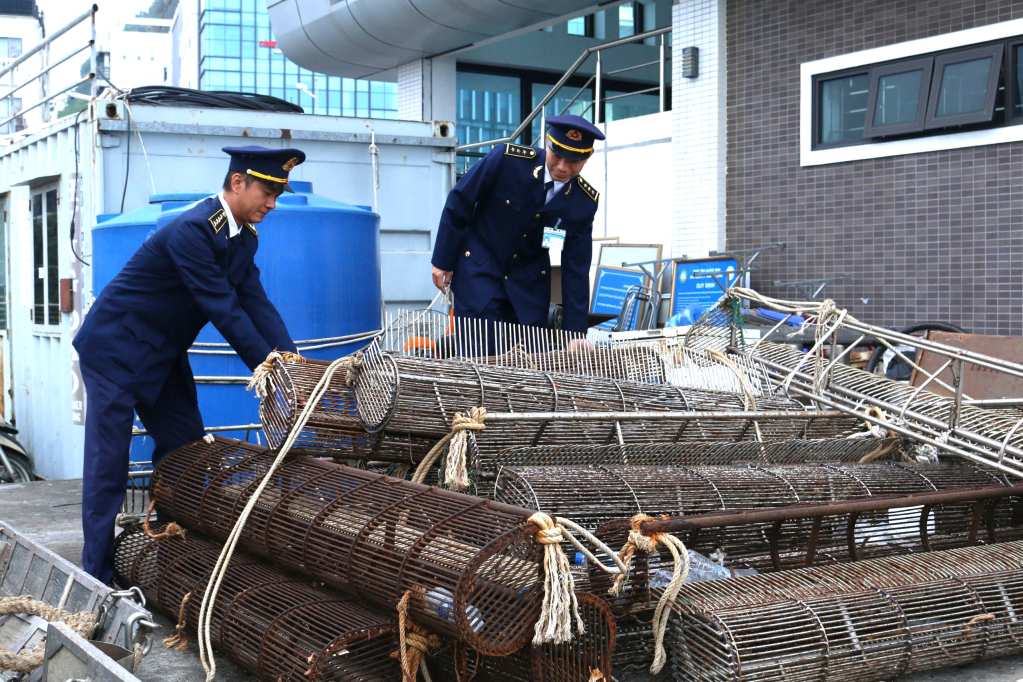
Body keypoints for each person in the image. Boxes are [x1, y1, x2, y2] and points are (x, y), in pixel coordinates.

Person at [73, 145, 304, 584]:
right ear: (238, 183)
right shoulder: (194, 231)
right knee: (109, 468)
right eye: (268, 192)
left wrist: (293, 364)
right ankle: (98, 577)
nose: (273, 204)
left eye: (279, 194)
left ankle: (174, 559)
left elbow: (256, 303)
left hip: (161, 354)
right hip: (115, 351)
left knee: (186, 453)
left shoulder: (243, 238)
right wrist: (265, 369)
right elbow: (224, 308)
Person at [431, 114, 604, 338]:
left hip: (528, 291)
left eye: (572, 160)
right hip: (480, 273)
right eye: (557, 155)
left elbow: (576, 269)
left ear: (587, 157)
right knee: (479, 362)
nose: (562, 167)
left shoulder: (583, 203)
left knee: (523, 366)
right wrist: (442, 261)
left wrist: (574, 335)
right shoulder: (506, 161)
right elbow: (460, 201)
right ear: (548, 143)